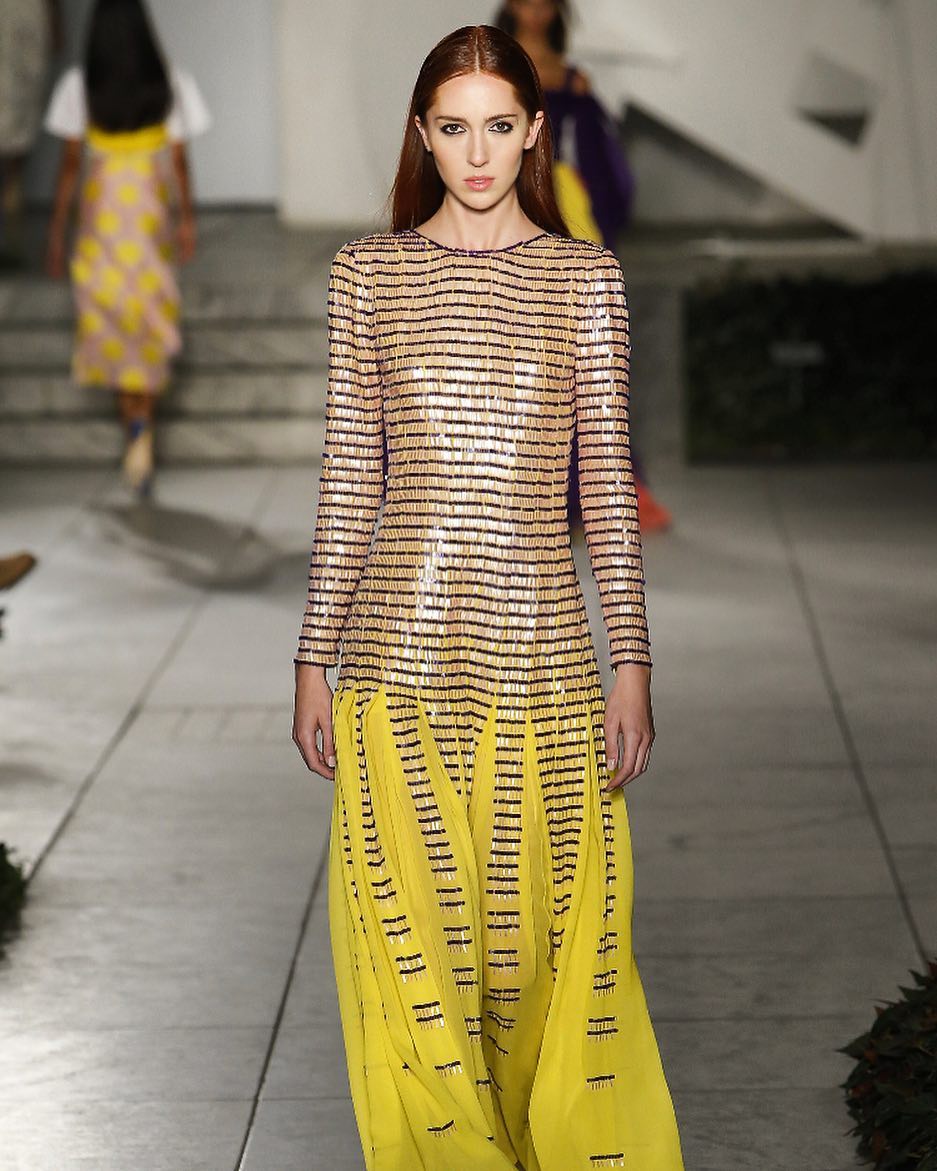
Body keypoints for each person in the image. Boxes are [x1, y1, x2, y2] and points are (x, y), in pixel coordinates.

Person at [292, 24, 684, 1171]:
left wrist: (631, 661)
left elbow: (604, 480)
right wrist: (314, 655)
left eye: (498, 126)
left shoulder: (583, 278)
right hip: (393, 666)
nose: (476, 153)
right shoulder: (368, 274)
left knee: (536, 970)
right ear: (421, 133)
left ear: (534, 132)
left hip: (545, 666)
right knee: (417, 970)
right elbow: (350, 472)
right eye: (454, 128)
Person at [496, 0, 673, 533]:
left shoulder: (574, 81)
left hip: (569, 223)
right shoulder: (494, 70)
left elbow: (602, 168)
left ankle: (588, 495)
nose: (535, 9)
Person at [43, 0, 210, 496]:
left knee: (113, 323)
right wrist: (188, 220)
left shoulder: (81, 87)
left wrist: (56, 230)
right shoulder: (169, 84)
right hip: (149, 221)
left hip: (101, 226)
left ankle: (134, 428)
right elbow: (179, 164)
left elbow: (70, 167)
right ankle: (143, 426)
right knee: (148, 322)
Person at [0, 0, 61, 266]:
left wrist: (54, 20)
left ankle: (10, 239)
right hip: (23, 23)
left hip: (26, 24)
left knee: (19, 134)